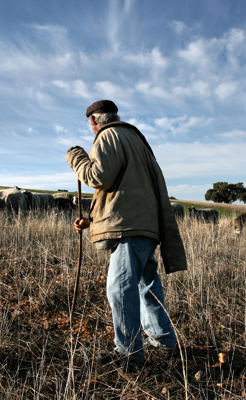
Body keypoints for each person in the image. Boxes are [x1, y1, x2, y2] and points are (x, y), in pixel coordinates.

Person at [66, 100, 187, 368]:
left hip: (129, 230)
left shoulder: (108, 135)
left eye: (90, 124)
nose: (91, 128)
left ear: (95, 121)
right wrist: (91, 220)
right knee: (147, 286)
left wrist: (76, 157)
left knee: (119, 288)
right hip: (144, 226)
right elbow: (127, 191)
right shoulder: (135, 139)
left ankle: (129, 353)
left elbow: (98, 177)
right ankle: (164, 341)